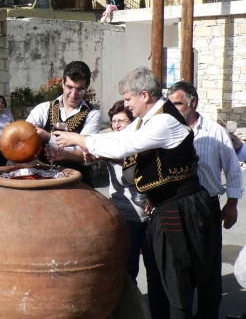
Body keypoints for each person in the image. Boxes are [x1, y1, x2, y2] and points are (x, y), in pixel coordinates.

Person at [55, 67, 219, 319]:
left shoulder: (163, 121)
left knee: (179, 281)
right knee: (169, 278)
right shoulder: (149, 119)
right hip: (168, 206)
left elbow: (124, 145)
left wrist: (78, 139)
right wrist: (81, 146)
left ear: (144, 95)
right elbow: (118, 138)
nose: (126, 105)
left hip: (183, 207)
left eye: (128, 99)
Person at [167, 81, 243, 318]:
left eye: (177, 104)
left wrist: (231, 204)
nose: (172, 109)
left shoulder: (215, 131)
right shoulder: (166, 131)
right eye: (169, 104)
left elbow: (233, 169)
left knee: (209, 269)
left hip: (207, 208)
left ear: (193, 102)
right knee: (178, 268)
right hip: (175, 207)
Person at [104, 100, 160, 318]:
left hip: (150, 217)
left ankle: (156, 313)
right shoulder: (109, 143)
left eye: (122, 121)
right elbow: (86, 153)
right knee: (128, 271)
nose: (117, 125)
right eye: (114, 121)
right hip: (124, 217)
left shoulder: (145, 143)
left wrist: (152, 195)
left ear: (134, 123)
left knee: (155, 271)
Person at [26, 61, 102, 187]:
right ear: (62, 83)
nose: (73, 94)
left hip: (76, 182)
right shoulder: (43, 108)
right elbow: (25, 133)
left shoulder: (92, 115)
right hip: (44, 179)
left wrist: (47, 137)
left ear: (87, 87)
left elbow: (84, 153)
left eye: (79, 89)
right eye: (70, 87)